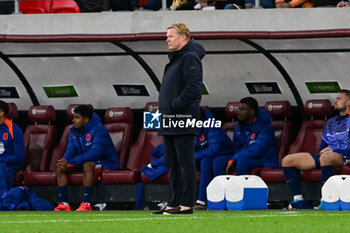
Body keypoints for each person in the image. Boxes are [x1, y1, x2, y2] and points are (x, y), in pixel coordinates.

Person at [155, 22, 205, 215]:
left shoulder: (189, 57)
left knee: (185, 162)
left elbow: (193, 88)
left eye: (171, 36)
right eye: (167, 36)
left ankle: (187, 204)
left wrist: (175, 105)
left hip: (183, 116)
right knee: (171, 162)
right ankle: (173, 203)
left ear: (183, 38)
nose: (167, 39)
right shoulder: (177, 58)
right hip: (170, 117)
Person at [143, 109, 233, 210]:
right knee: (184, 162)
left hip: (225, 155)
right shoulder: (190, 128)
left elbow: (215, 149)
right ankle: (180, 200)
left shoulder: (212, 127)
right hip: (206, 156)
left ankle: (202, 201)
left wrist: (189, 156)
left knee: (205, 161)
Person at [282, 90, 350, 209]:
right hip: (327, 156)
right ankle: (298, 199)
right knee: (288, 160)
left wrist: (334, 152)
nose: (336, 101)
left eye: (339, 98)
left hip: (345, 156)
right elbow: (323, 145)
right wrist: (321, 152)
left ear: (348, 102)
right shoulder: (330, 122)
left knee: (326, 157)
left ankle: (326, 199)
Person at [54, 105, 120, 211]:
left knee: (88, 165)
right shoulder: (74, 131)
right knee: (61, 167)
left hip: (105, 163)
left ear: (86, 119)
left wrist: (72, 162)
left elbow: (95, 153)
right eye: (73, 117)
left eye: (77, 117)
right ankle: (64, 204)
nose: (73, 120)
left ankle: (86, 203)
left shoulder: (99, 130)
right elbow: (71, 149)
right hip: (83, 161)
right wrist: (65, 161)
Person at [213, 97, 278, 177]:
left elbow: (258, 149)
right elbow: (235, 148)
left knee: (243, 161)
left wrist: (235, 158)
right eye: (239, 109)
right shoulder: (238, 127)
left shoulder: (265, 127)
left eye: (243, 109)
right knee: (218, 162)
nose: (239, 112)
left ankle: (241, 189)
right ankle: (223, 189)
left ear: (252, 111)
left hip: (264, 159)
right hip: (242, 157)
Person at [0, 101, 24, 197]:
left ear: (1, 113)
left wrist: (2, 160)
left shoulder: (13, 129)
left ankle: (3, 202)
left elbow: (19, 156)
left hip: (9, 164)